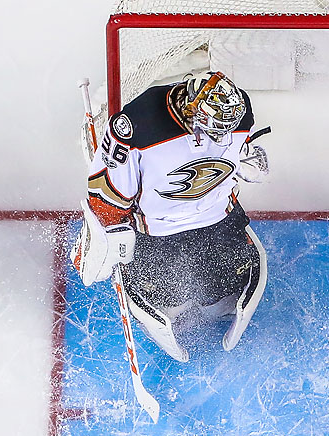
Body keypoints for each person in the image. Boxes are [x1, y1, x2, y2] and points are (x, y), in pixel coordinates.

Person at [71, 71, 270, 361]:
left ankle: (215, 300)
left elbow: (238, 150)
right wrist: (105, 234)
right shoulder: (138, 126)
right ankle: (167, 302)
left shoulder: (237, 112)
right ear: (191, 111)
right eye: (214, 129)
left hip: (220, 219)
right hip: (159, 233)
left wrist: (245, 157)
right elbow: (109, 196)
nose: (222, 137)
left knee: (219, 292)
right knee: (169, 297)